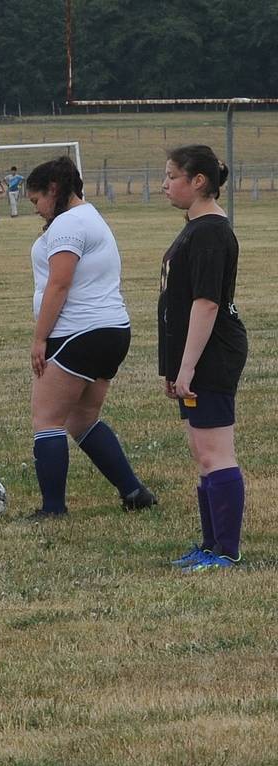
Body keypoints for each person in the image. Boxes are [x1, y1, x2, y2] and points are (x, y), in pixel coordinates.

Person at [21, 156, 158, 520]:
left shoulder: (68, 225)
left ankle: (53, 510)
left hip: (78, 333)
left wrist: (39, 338)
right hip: (111, 331)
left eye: (36, 201)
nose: (36, 210)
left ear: (53, 189)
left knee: (47, 419)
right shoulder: (91, 216)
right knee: (81, 420)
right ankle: (133, 492)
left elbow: (60, 283)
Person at [157, 145, 247, 572]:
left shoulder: (210, 230)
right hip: (195, 355)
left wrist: (188, 366)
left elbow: (207, 303)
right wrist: (175, 365)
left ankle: (226, 551)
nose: (165, 184)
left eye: (172, 176)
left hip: (211, 355)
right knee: (202, 452)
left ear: (198, 182)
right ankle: (210, 547)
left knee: (216, 453)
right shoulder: (196, 227)